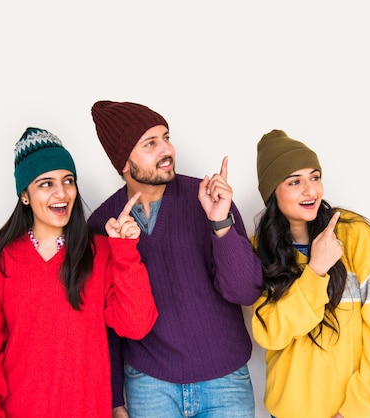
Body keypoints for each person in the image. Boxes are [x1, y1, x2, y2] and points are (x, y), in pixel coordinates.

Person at [0, 127, 158, 418]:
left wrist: (126, 252)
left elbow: (137, 324)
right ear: (25, 195)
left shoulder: (100, 252)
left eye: (68, 180)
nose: (61, 192)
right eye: (46, 183)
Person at [87, 101, 264, 418]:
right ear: (123, 163)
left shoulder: (208, 198)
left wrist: (220, 223)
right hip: (149, 384)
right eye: (150, 143)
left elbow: (245, 291)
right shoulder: (103, 223)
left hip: (224, 379)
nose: (166, 149)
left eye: (166, 137)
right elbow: (107, 326)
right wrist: (115, 398)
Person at [251, 129, 370, 418]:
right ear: (273, 192)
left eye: (314, 177)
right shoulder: (260, 250)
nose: (310, 191)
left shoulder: (356, 235)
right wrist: (315, 271)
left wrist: (354, 410)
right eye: (295, 182)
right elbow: (270, 334)